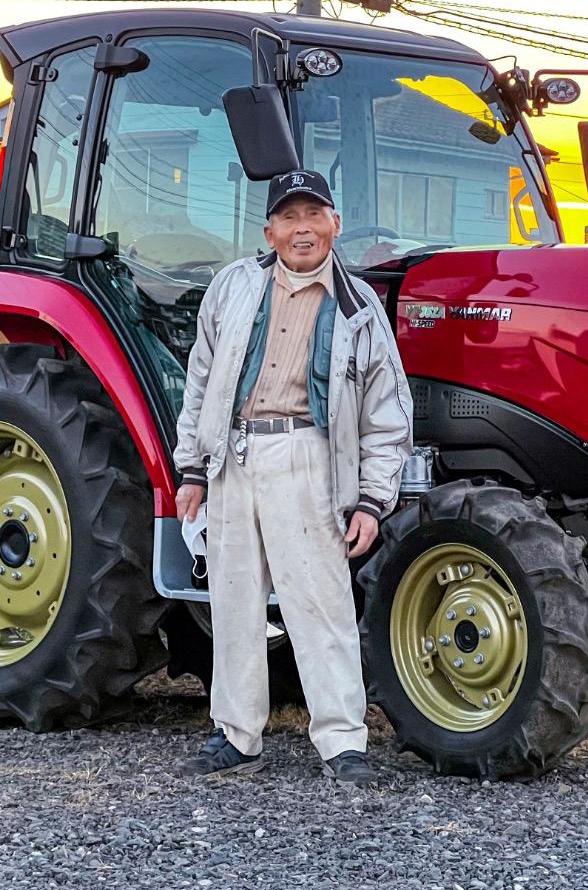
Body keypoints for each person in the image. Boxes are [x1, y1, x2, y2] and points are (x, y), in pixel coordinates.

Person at [173, 169, 413, 786]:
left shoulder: (359, 310)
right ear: (270, 229)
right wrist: (193, 468)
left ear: (334, 225)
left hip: (308, 459)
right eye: (289, 217)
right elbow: (201, 381)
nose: (301, 228)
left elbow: (388, 416)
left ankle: (342, 742)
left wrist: (370, 501)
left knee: (320, 603)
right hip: (234, 458)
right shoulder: (233, 288)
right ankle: (236, 733)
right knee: (232, 603)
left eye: (313, 215)